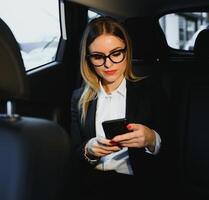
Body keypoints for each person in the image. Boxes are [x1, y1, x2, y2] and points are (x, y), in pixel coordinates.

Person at [70, 16, 168, 199]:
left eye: (116, 54)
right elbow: (75, 152)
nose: (108, 64)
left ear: (127, 51)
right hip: (92, 186)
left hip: (136, 187)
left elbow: (174, 147)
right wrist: (89, 150)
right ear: (88, 59)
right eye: (98, 57)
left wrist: (151, 138)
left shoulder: (150, 91)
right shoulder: (79, 98)